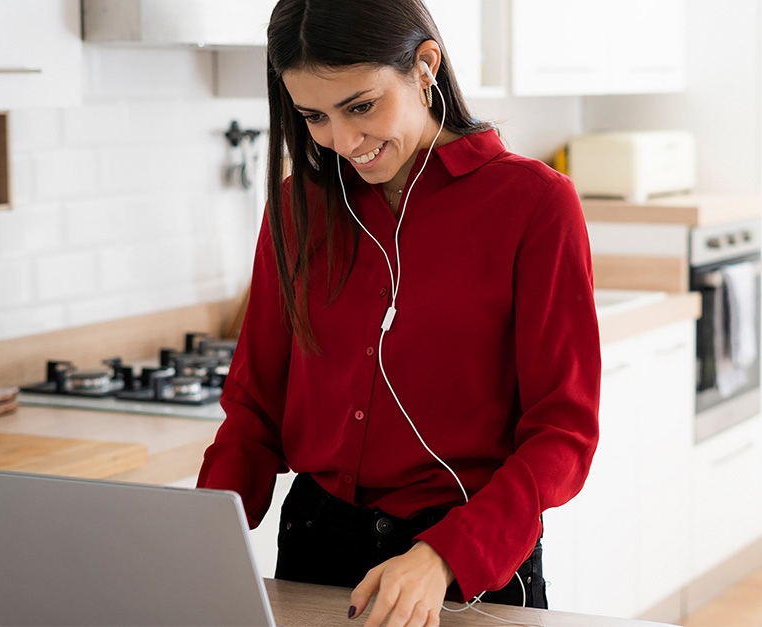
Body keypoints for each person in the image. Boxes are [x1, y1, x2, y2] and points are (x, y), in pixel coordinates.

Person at [196, 1, 601, 626]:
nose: (343, 140)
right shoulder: (297, 205)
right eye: (314, 117)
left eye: (361, 106)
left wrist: (444, 555)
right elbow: (254, 406)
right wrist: (198, 535)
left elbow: (563, 433)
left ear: (424, 66)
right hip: (316, 545)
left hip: (465, 557)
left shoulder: (534, 204)